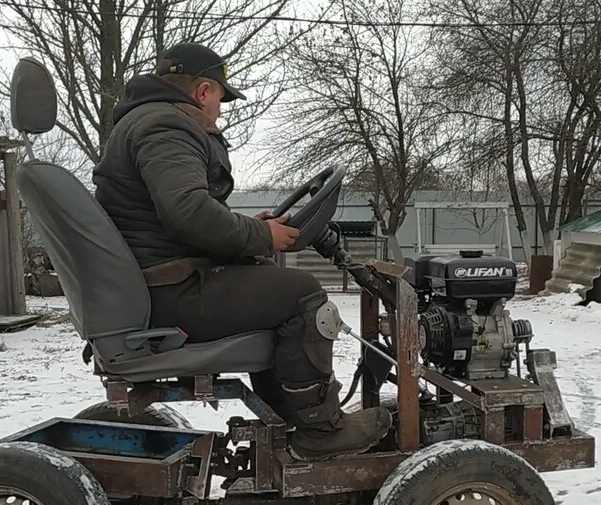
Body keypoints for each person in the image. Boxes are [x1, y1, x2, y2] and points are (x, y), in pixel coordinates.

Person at [92, 42, 391, 459]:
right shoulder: (166, 127)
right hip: (170, 292)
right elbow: (187, 213)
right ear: (202, 92)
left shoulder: (148, 122)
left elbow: (180, 217)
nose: (219, 109)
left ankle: (292, 416)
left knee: (277, 289)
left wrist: (255, 229)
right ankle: (319, 430)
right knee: (302, 294)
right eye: (220, 98)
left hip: (166, 282)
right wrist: (261, 236)